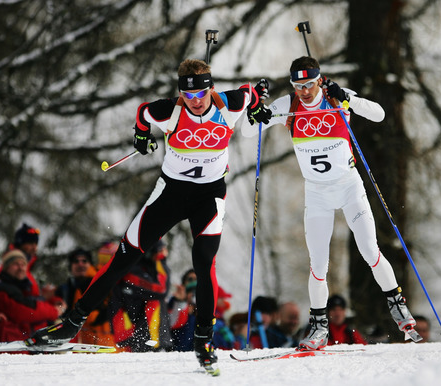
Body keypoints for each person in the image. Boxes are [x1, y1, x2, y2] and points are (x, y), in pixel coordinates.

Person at [28, 58, 272, 371]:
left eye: (201, 95)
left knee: (204, 260)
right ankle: (70, 325)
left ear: (211, 89)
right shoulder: (169, 110)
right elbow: (143, 112)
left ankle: (204, 339)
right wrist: (141, 135)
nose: (195, 102)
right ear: (180, 93)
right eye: (188, 96)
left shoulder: (230, 104)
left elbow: (250, 93)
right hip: (170, 194)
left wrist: (256, 104)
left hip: (208, 197)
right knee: (122, 259)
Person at [243, 56, 420, 350]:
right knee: (318, 264)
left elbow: (378, 114)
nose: (304, 91)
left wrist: (348, 100)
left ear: (319, 80)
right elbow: (250, 129)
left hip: (349, 187)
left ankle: (397, 305)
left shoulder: (336, 97)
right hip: (317, 194)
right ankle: (319, 328)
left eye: (309, 84)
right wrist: (257, 109)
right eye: (298, 86)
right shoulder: (289, 105)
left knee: (370, 250)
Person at [0, 249, 65, 341]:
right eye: (16, 264)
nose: (21, 268)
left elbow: (36, 300)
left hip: (20, 343)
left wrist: (56, 302)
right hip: (5, 346)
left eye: (23, 264)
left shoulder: (21, 287)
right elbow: (23, 312)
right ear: (6, 268)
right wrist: (54, 311)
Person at [109, 239, 172, 352]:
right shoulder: (131, 272)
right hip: (141, 339)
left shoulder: (147, 269)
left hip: (150, 339)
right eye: (160, 251)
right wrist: (161, 260)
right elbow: (162, 289)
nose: (163, 254)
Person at [55, 247, 115, 346]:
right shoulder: (64, 289)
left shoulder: (100, 284)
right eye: (76, 261)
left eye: (84, 261)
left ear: (90, 264)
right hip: (79, 348)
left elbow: (93, 318)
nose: (80, 264)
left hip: (104, 345)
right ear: (70, 266)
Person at [6, 223, 41, 297]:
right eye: (31, 243)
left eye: (36, 244)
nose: (34, 248)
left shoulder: (27, 269)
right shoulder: (11, 268)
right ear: (20, 244)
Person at [168, 268, 197, 352]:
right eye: (190, 279)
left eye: (196, 279)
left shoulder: (203, 303)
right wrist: (181, 302)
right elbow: (171, 323)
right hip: (176, 350)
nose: (193, 283)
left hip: (194, 352)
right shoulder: (174, 300)